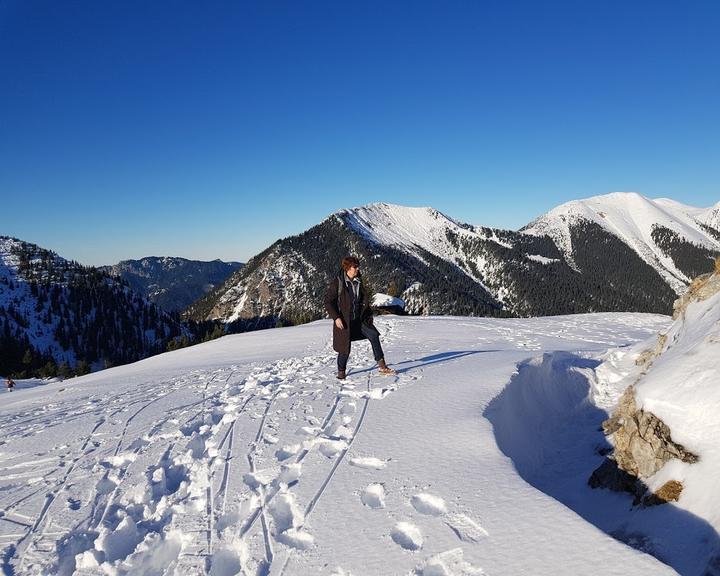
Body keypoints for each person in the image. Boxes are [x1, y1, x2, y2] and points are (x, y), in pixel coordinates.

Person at [324, 256, 395, 379]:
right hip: (345, 321)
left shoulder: (358, 280)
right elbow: (328, 302)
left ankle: (382, 366)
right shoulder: (338, 282)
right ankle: (341, 372)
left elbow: (363, 300)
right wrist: (336, 318)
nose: (357, 269)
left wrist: (368, 315)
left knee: (374, 335)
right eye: (355, 267)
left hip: (359, 320)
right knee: (344, 348)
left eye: (358, 266)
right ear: (347, 268)